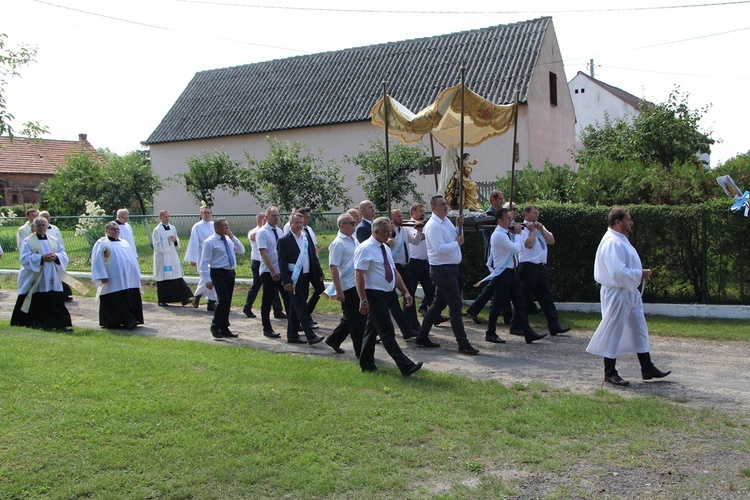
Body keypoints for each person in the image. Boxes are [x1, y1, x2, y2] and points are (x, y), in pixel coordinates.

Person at [586, 207, 671, 386]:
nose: (631, 223)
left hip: (629, 292)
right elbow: (617, 271)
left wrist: (637, 275)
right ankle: (609, 372)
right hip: (617, 292)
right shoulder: (611, 242)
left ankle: (647, 367)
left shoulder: (620, 239)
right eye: (628, 220)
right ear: (618, 222)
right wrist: (639, 274)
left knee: (639, 327)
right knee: (613, 330)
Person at [354, 216, 423, 376]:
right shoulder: (365, 248)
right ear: (376, 232)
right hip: (374, 294)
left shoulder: (384, 248)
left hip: (388, 292)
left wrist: (405, 291)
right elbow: (359, 276)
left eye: (390, 232)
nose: (389, 236)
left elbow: (394, 271)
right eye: (386, 233)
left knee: (371, 331)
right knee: (387, 332)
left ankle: (366, 365)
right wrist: (363, 299)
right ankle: (406, 366)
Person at [415, 195, 480, 355]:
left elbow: (457, 237)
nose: (446, 206)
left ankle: (422, 336)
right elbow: (440, 248)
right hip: (442, 270)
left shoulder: (446, 222)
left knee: (437, 304)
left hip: (451, 268)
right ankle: (462, 342)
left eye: (446, 204)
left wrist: (459, 226)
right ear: (434, 208)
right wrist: (457, 243)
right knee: (455, 305)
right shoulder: (433, 226)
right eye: (442, 204)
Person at [484, 208, 547, 344]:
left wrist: (516, 234)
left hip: (512, 273)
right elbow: (517, 249)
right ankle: (490, 332)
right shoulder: (499, 235)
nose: (510, 221)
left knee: (520, 303)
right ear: (500, 221)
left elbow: (522, 248)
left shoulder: (507, 233)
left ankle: (528, 332)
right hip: (502, 274)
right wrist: (518, 234)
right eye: (507, 218)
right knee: (497, 304)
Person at [509, 205, 570, 336]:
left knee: (546, 297)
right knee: (523, 297)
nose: (537, 215)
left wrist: (541, 229)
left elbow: (551, 240)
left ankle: (554, 325)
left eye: (538, 213)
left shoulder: (539, 227)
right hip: (528, 266)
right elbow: (529, 244)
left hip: (540, 266)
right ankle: (515, 325)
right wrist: (532, 231)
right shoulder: (523, 229)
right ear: (526, 214)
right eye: (534, 213)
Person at [10, 216, 73, 330]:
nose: (41, 227)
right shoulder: (28, 241)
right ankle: (34, 322)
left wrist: (56, 256)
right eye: (38, 225)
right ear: (34, 227)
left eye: (43, 225)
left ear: (47, 226)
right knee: (37, 299)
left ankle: (59, 324)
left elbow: (63, 255)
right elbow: (24, 258)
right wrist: (41, 258)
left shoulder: (54, 240)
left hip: (52, 275)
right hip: (36, 275)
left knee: (54, 298)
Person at [277, 213, 326, 345]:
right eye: (296, 223)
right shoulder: (284, 240)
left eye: (300, 222)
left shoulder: (305, 238)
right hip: (293, 279)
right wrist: (286, 281)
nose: (299, 225)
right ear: (290, 224)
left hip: (306, 276)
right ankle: (310, 336)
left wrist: (319, 272)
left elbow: (312, 257)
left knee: (294, 307)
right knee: (301, 307)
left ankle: (292, 335)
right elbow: (282, 262)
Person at [324, 212, 365, 356]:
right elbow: (333, 267)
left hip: (357, 284)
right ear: (342, 226)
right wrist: (339, 290)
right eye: (352, 223)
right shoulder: (337, 243)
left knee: (352, 317)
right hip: (347, 286)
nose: (355, 225)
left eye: (355, 222)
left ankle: (334, 339)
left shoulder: (353, 239)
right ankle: (361, 352)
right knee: (356, 321)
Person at [91, 221, 144, 330]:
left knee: (129, 298)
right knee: (116, 301)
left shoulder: (124, 243)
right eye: (113, 229)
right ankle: (124, 320)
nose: (116, 231)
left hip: (129, 279)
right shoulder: (102, 243)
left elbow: (132, 258)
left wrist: (136, 272)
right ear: (107, 231)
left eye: (117, 229)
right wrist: (102, 275)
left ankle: (133, 318)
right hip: (112, 279)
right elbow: (97, 260)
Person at [464, 190, 506, 324]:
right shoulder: (490, 214)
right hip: (493, 256)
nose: (502, 201)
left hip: (498, 255)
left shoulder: (498, 214)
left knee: (497, 285)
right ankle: (502, 314)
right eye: (500, 199)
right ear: (492, 200)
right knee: (497, 284)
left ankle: (478, 309)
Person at [200, 217, 245, 339]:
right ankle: (215, 325)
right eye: (224, 226)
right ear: (217, 228)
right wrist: (207, 279)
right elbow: (204, 262)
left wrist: (232, 236)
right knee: (223, 299)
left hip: (230, 272)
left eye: (227, 226)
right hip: (218, 272)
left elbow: (241, 250)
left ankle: (224, 327)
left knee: (228, 300)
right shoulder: (210, 242)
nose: (226, 228)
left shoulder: (229, 240)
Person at [257, 206, 289, 338]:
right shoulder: (263, 232)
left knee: (288, 298)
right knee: (268, 299)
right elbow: (264, 253)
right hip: (268, 272)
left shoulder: (280, 231)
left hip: (281, 270)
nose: (276, 218)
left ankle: (293, 325)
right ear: (266, 217)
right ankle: (267, 327)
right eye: (273, 216)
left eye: (277, 215)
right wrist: (272, 270)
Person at [152, 209, 193, 307]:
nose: (167, 218)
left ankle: (184, 298)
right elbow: (156, 245)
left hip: (172, 255)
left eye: (168, 216)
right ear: (160, 217)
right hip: (163, 257)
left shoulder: (173, 228)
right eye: (165, 216)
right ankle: (162, 300)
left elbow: (177, 242)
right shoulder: (157, 230)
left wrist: (175, 241)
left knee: (176, 276)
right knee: (163, 279)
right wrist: (167, 240)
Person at [184, 206, 218, 311]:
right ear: (201, 214)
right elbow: (193, 242)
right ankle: (205, 299)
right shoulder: (197, 227)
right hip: (201, 255)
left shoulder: (214, 225)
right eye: (204, 213)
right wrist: (193, 258)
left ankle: (205, 299)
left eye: (208, 212)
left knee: (212, 278)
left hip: (214, 256)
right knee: (206, 277)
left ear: (211, 214)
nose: (207, 214)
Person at [40, 210, 74, 302]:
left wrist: (58, 256)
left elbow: (60, 243)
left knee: (60, 275)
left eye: (48, 216)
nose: (47, 218)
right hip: (43, 260)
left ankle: (65, 294)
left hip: (55, 258)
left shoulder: (55, 229)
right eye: (44, 217)